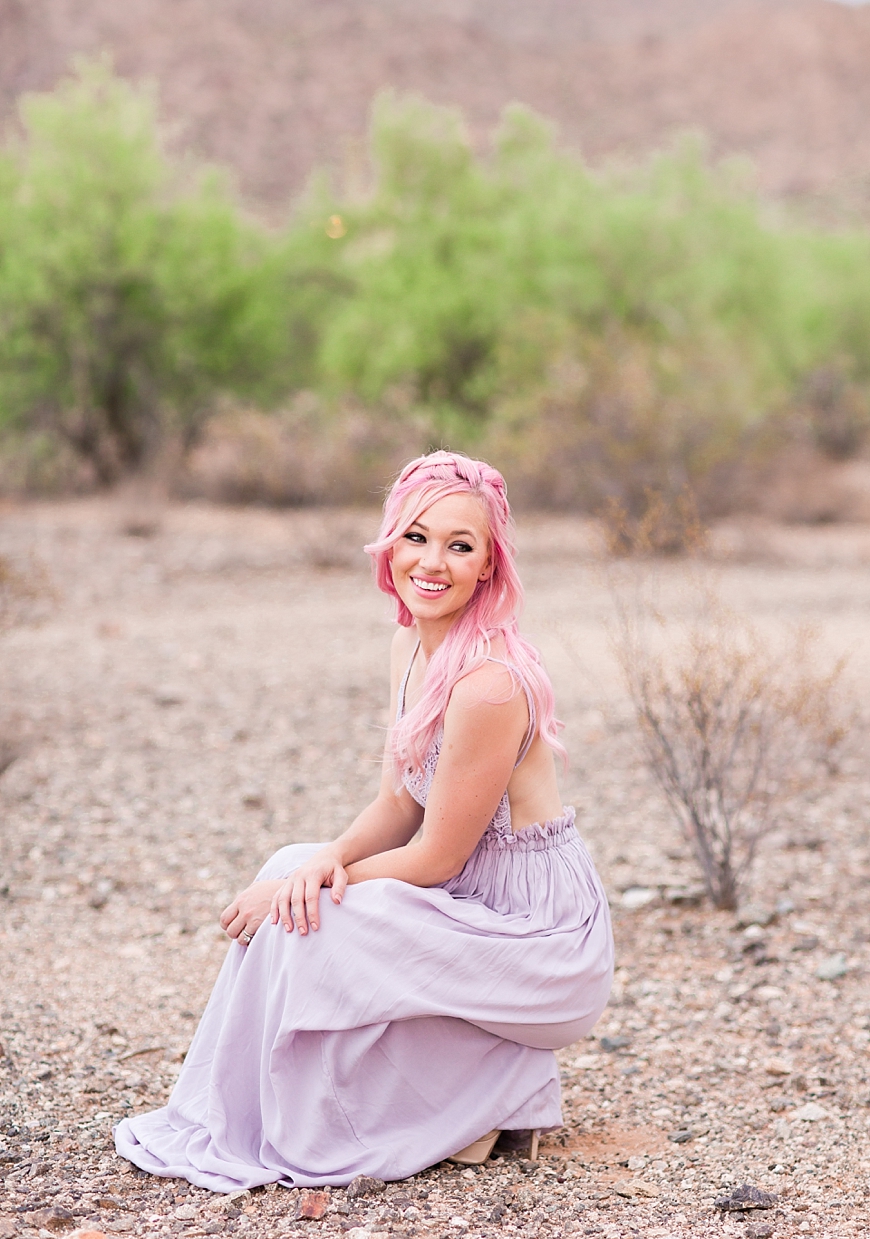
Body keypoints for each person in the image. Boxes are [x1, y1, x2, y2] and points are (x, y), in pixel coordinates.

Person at [114, 451, 613, 1191]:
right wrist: (317, 864)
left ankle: (469, 1095)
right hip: (470, 892)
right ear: (390, 542)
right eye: (416, 536)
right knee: (289, 864)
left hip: (536, 929)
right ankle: (260, 1112)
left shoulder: (489, 684)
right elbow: (397, 805)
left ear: (489, 566)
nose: (432, 562)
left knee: (318, 911)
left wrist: (324, 881)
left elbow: (436, 857)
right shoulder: (409, 645)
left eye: (461, 545)